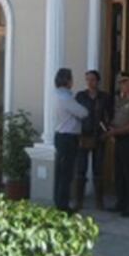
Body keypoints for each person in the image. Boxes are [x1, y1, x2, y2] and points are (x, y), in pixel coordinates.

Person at [102, 71, 129, 217]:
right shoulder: (118, 100)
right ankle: (121, 202)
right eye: (121, 82)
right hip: (118, 140)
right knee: (119, 173)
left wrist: (116, 131)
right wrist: (110, 128)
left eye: (126, 81)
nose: (123, 85)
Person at [72, 69, 113, 210]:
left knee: (98, 170)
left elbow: (110, 115)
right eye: (88, 79)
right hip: (83, 135)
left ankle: (99, 202)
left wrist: (106, 131)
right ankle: (79, 201)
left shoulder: (104, 97)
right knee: (81, 170)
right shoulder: (80, 96)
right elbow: (75, 115)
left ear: (98, 81)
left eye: (93, 79)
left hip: (99, 136)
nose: (90, 82)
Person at [52, 67, 88, 213]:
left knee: (61, 172)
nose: (72, 81)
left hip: (61, 136)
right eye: (71, 78)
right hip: (67, 137)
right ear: (67, 80)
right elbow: (83, 112)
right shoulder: (65, 97)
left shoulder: (56, 95)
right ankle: (63, 206)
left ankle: (59, 202)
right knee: (66, 173)